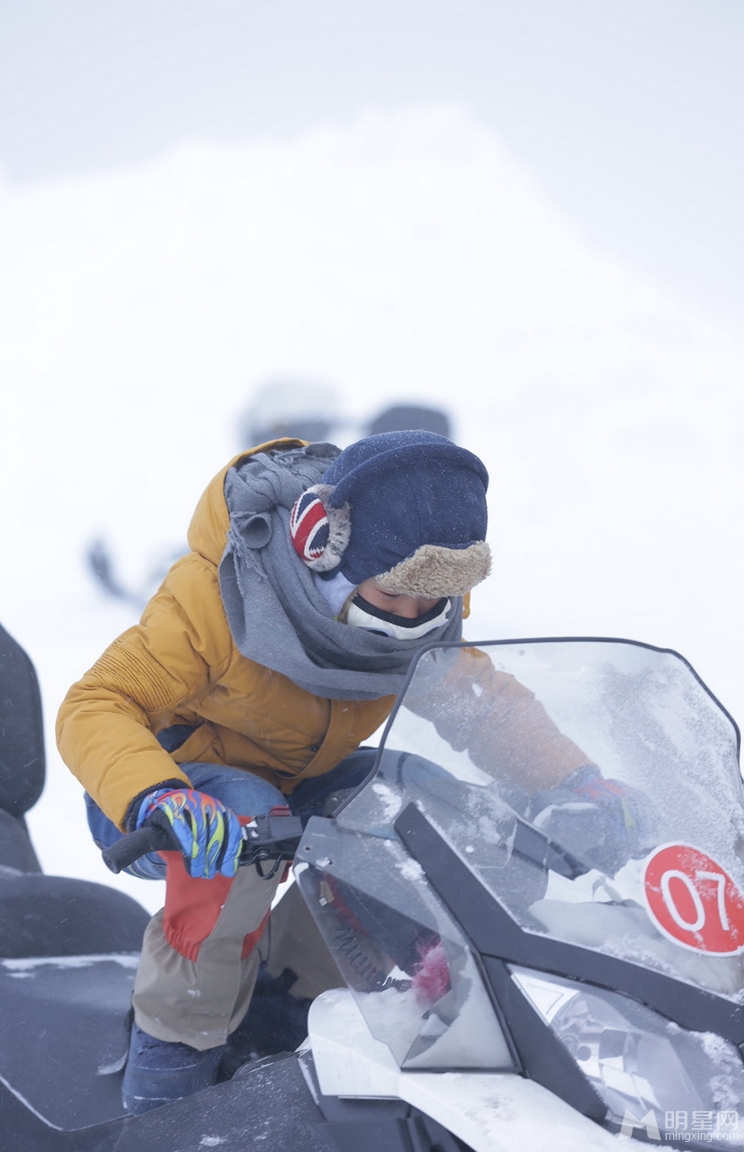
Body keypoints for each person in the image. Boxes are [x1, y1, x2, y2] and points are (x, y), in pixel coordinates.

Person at [56, 430, 651, 1114]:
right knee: (246, 817)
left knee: (413, 805)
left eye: (429, 602)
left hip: (299, 784)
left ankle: (295, 1004)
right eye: (393, 593)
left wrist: (578, 783)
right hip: (163, 800)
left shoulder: (421, 620)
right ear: (327, 550)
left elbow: (485, 710)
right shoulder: (222, 593)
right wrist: (154, 794)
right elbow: (96, 703)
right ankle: (166, 1083)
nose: (408, 618)